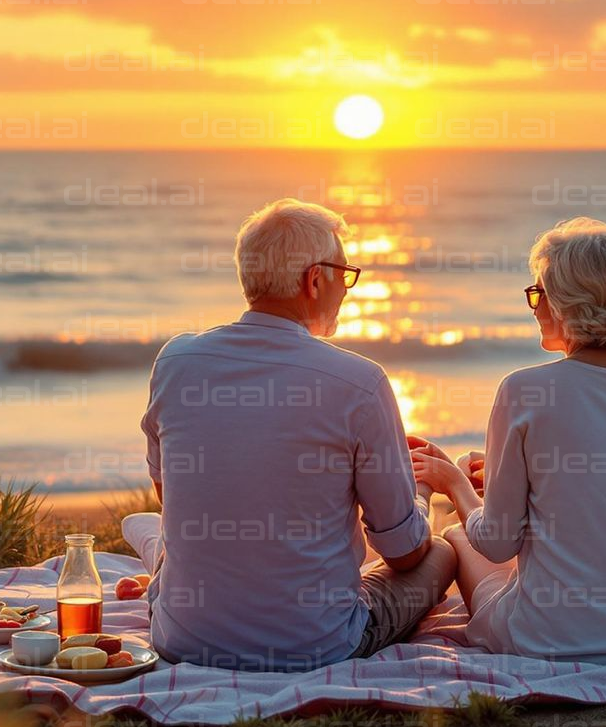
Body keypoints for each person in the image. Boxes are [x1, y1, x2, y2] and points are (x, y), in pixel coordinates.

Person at [130, 198, 454, 671]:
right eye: (344, 274)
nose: (346, 289)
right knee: (441, 552)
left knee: (158, 531)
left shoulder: (176, 360)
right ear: (314, 279)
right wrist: (419, 490)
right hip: (315, 646)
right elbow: (404, 554)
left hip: (181, 637)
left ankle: (155, 556)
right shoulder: (360, 383)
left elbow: (171, 496)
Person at [410, 217, 606, 662]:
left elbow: (497, 542)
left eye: (539, 292)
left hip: (557, 639)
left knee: (460, 536)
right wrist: (520, 478)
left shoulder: (524, 390)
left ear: (566, 303)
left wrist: (456, 484)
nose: (534, 306)